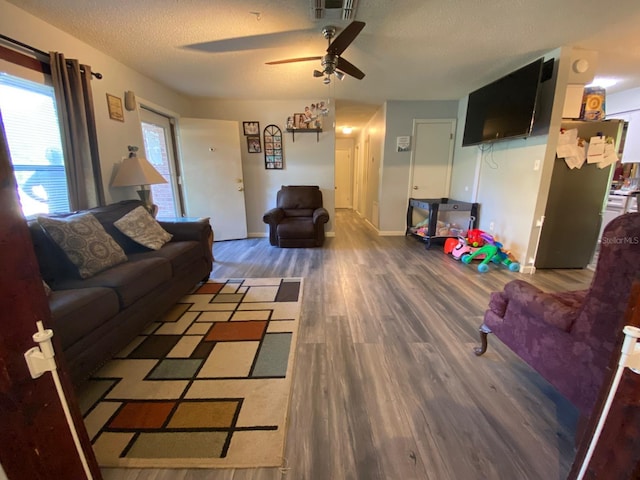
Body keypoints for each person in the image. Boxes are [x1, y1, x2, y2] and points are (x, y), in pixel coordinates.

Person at [22, 147, 69, 213]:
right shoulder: (42, 172)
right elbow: (26, 187)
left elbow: (25, 187)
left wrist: (41, 200)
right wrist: (42, 200)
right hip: (58, 207)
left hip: (58, 207)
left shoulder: (67, 170)